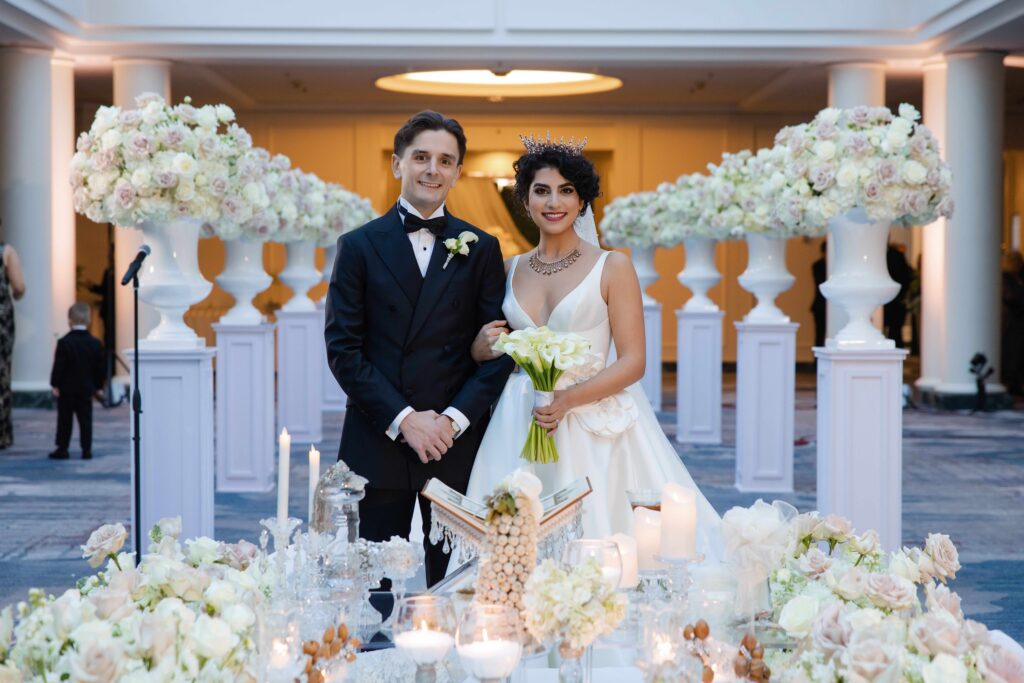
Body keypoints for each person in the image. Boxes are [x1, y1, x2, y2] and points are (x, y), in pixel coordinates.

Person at [465, 137, 721, 558]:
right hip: (517, 419)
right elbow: (500, 349)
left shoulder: (612, 266)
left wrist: (567, 399)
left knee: (600, 534)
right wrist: (479, 349)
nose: (554, 202)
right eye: (542, 190)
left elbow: (634, 360)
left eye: (567, 190)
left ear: (582, 201)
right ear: (525, 201)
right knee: (512, 540)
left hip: (591, 419)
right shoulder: (509, 268)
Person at [324, 111, 513, 586]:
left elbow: (499, 351)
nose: (433, 169)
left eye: (445, 161)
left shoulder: (483, 248)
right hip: (378, 439)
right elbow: (344, 350)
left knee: (454, 587)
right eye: (421, 157)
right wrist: (405, 419)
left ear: (458, 172)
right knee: (370, 591)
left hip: (454, 444)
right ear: (397, 164)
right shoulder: (358, 246)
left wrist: (450, 421)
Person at [49, 303, 105, 460]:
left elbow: (59, 365)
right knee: (86, 420)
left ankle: (62, 448)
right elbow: (98, 369)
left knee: (64, 419)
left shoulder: (64, 342)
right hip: (86, 389)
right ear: (88, 320)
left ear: (70, 320)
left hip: (67, 389)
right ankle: (86, 449)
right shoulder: (95, 344)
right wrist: (98, 386)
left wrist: (55, 384)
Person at [0, 228, 25, 449]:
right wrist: (17, 294)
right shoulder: (5, 251)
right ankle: (2, 434)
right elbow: (18, 286)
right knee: (2, 373)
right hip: (1, 322)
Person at [1001, 251, 1024, 396]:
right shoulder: (1005, 279)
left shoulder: (1018, 278)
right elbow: (1011, 297)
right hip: (1012, 321)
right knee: (1013, 352)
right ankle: (1012, 381)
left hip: (1018, 320)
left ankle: (1017, 381)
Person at [884, 243, 913, 348]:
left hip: (893, 300)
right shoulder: (896, 255)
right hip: (896, 300)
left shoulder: (893, 255)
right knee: (895, 333)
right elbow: (906, 277)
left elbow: (905, 277)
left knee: (894, 332)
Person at [811, 241, 827, 349]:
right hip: (820, 305)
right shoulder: (818, 266)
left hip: (832, 305)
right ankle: (816, 362)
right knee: (819, 333)